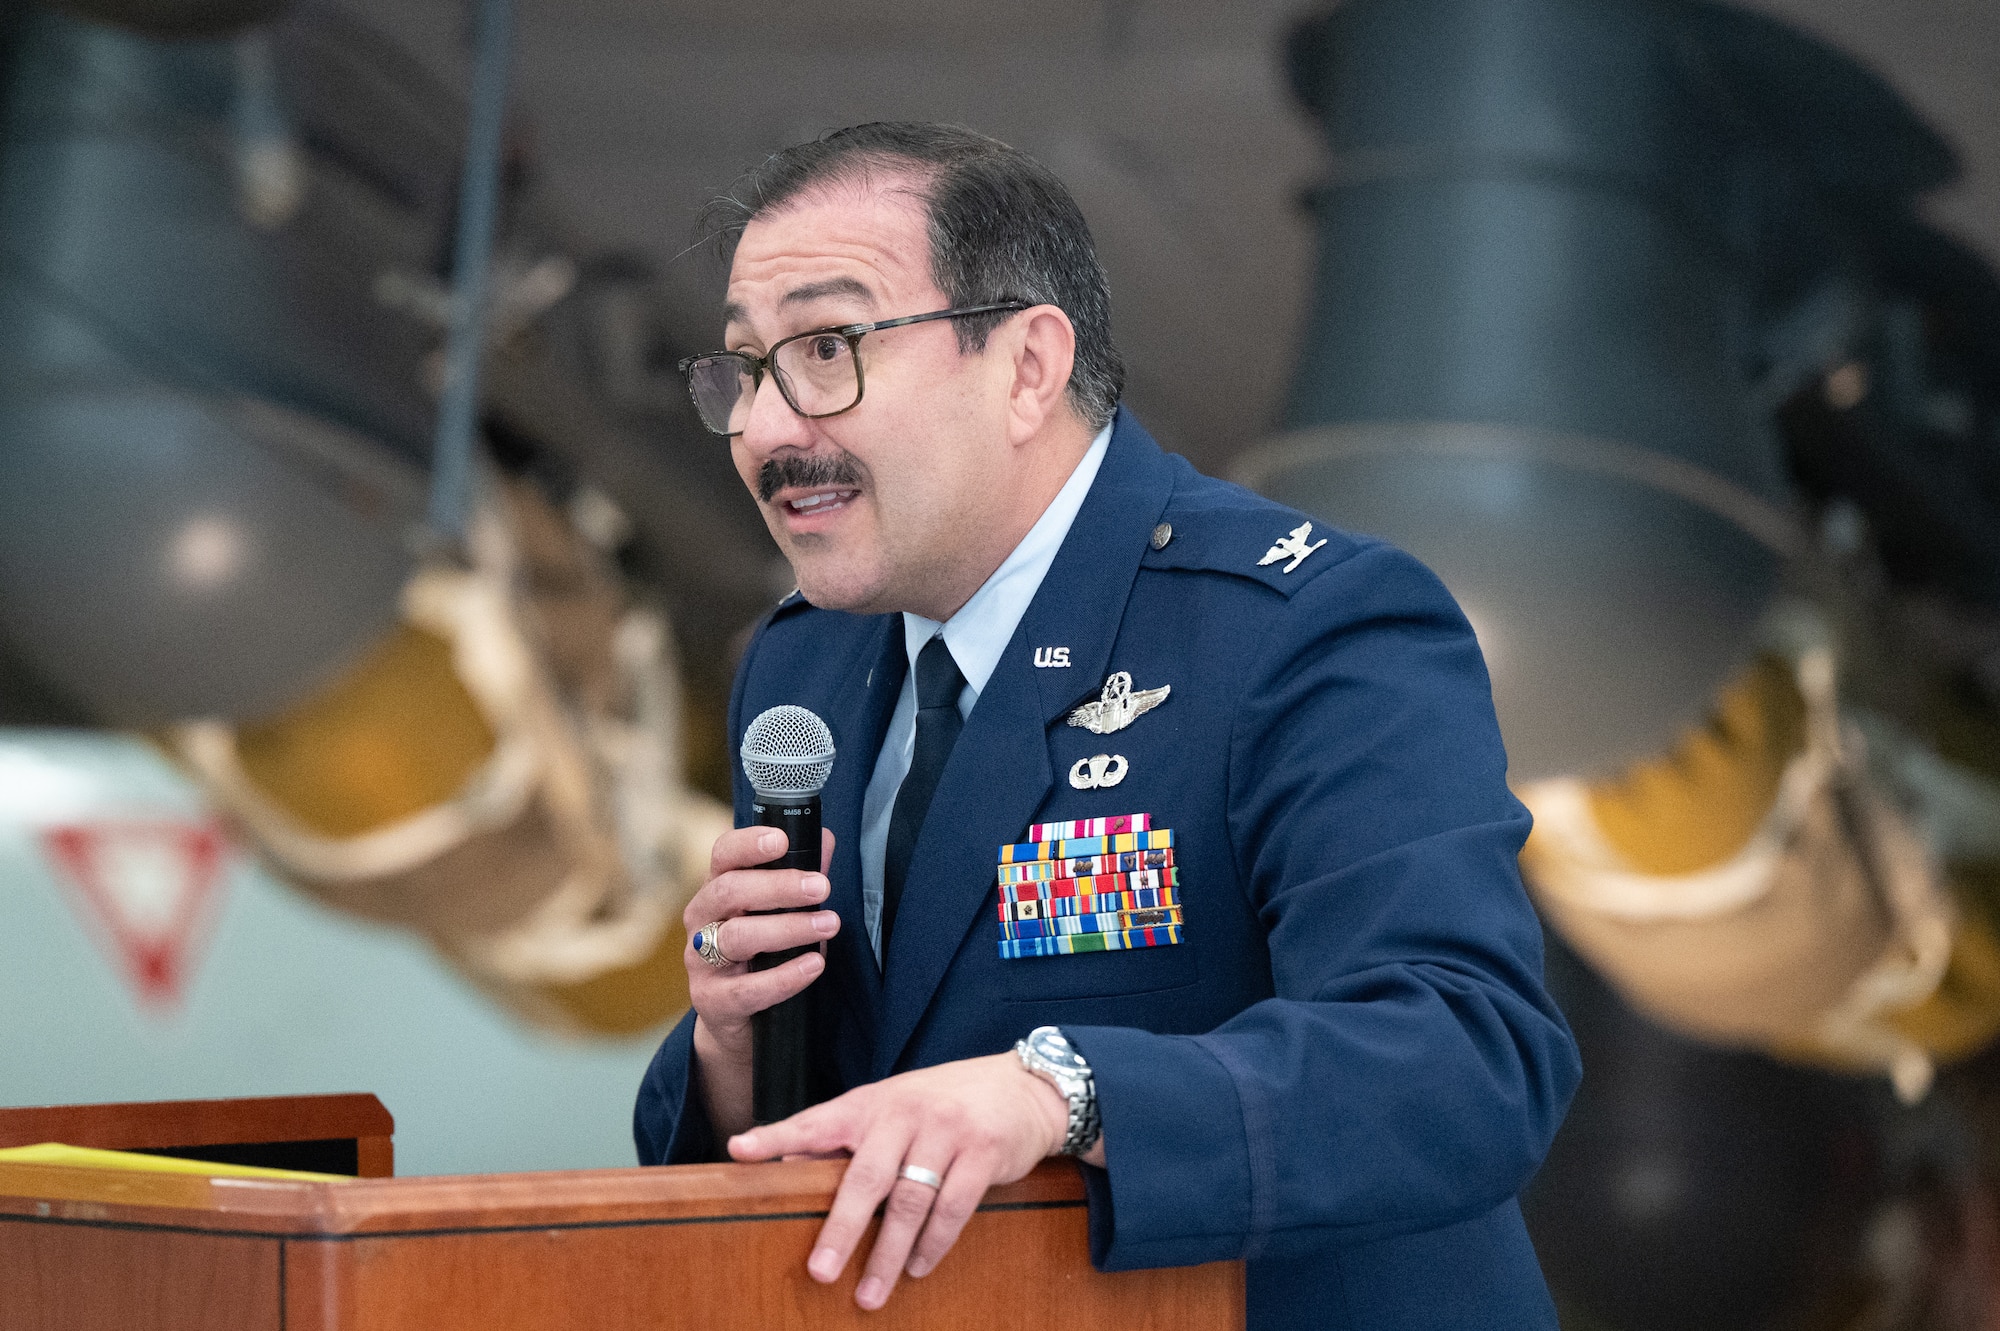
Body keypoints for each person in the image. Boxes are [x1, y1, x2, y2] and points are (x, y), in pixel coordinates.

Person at [634, 121, 1581, 1329]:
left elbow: (1466, 1060)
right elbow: (860, 1109)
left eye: (827, 349)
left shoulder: (1303, 625)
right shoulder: (800, 664)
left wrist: (1059, 1090)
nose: (766, 428)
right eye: (743, 370)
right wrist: (728, 1049)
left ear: (1027, 366)